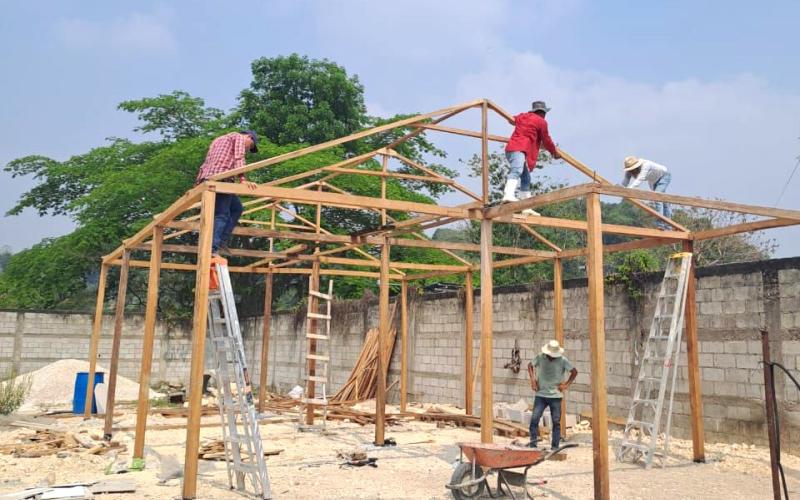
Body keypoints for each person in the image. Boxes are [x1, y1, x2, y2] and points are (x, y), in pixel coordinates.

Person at [195, 130, 260, 256]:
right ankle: (213, 248)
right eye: (250, 146)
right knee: (221, 215)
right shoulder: (239, 138)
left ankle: (221, 241)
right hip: (221, 180)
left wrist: (198, 184)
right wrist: (242, 180)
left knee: (236, 208)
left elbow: (206, 162)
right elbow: (239, 157)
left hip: (210, 178)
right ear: (249, 137)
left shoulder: (217, 140)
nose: (247, 149)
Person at [503, 100, 561, 216]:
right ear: (543, 113)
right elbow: (546, 140)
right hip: (519, 149)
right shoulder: (541, 122)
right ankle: (508, 194)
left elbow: (510, 120)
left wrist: (521, 123)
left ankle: (526, 206)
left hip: (514, 149)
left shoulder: (524, 116)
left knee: (526, 178)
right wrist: (554, 152)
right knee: (517, 170)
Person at [527, 340, 578, 450]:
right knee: (534, 419)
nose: (551, 357)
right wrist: (533, 380)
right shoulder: (540, 357)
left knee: (556, 422)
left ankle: (554, 447)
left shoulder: (563, 360)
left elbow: (574, 372)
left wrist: (566, 385)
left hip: (555, 396)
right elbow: (530, 366)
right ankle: (533, 445)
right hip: (541, 394)